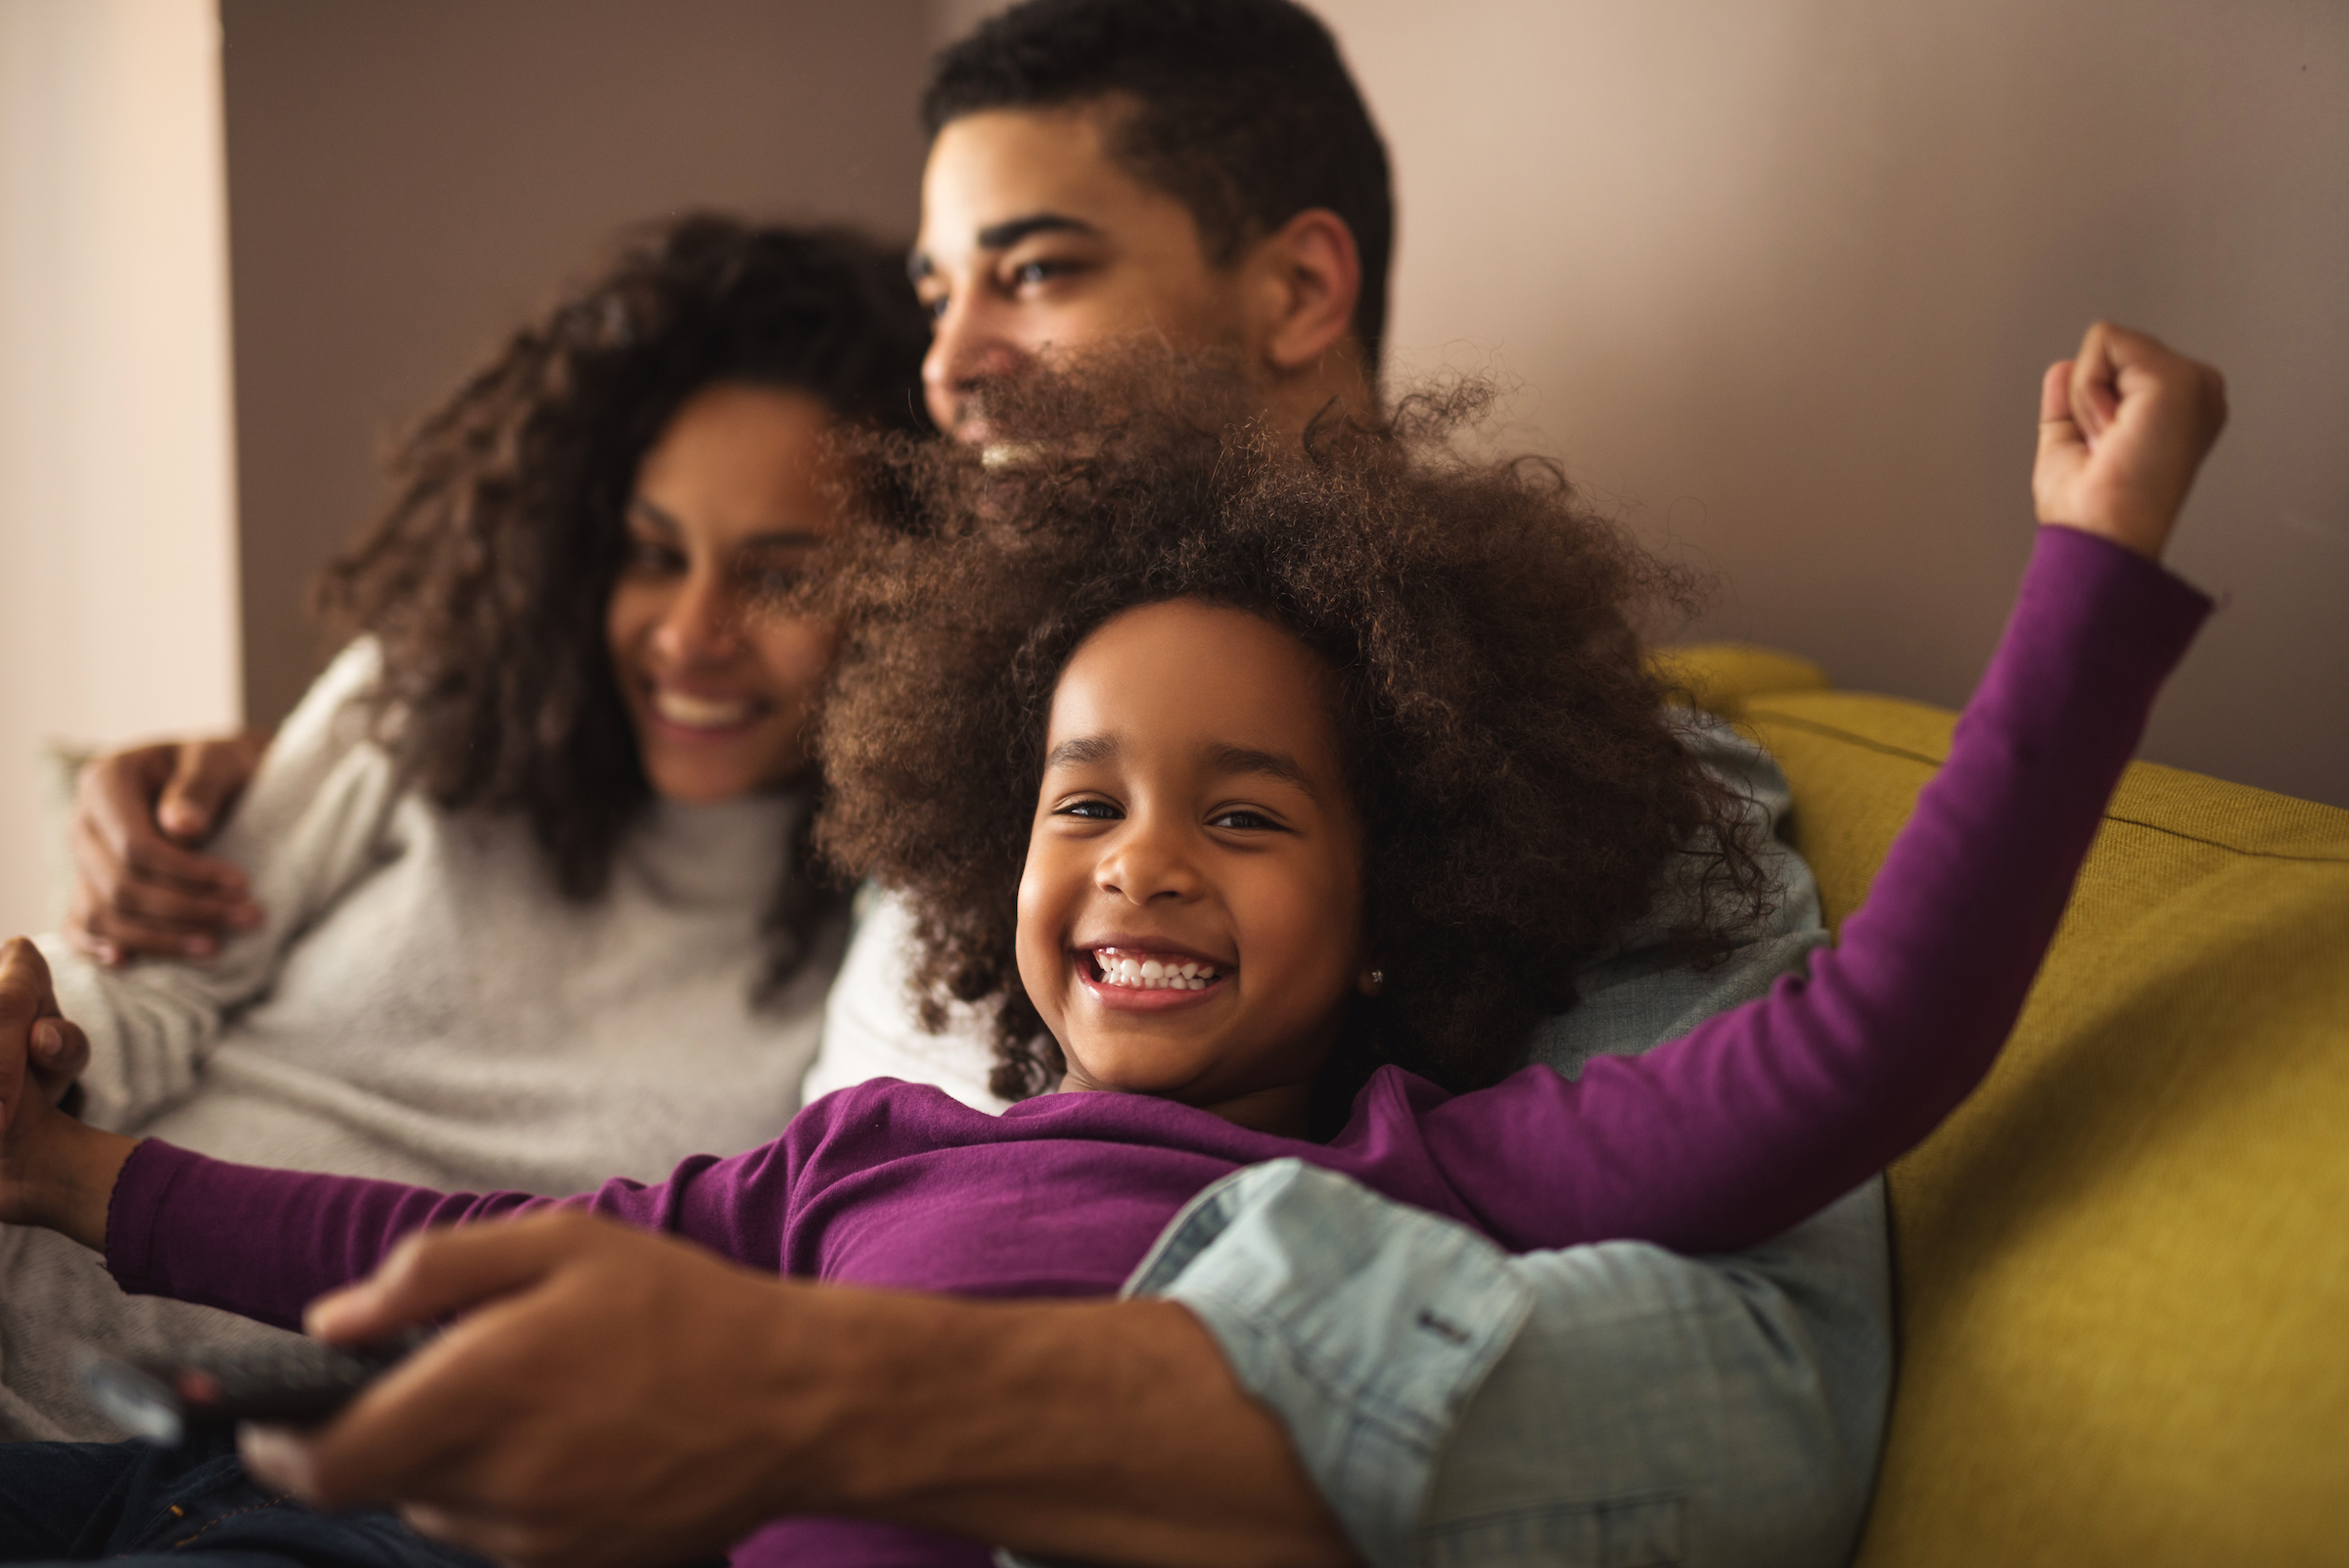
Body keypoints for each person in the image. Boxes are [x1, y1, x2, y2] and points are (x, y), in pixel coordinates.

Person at [50, 4, 1892, 1564]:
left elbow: (1751, 1405)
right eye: (940, 292)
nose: (950, 363)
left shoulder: (1556, 780)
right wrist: (237, 811)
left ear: (1301, 285)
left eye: (1037, 268)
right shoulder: (961, 733)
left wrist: (845, 1392)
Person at [0, 314, 2228, 1568]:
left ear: (1388, 909)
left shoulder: (1425, 1174)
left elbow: (1862, 1039)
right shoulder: (850, 1151)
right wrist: (71, 1170)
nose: (1141, 861)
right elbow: (451, 1240)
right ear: (993, 844)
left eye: (1241, 814)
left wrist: (2086, 567)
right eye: (1082, 801)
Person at [0, 214, 932, 1441]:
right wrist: (35, 1047)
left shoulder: (897, 946)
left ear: (916, 594)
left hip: (323, 1484)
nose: (692, 632)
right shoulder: (434, 709)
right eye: (651, 556)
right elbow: (143, 995)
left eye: (779, 577)